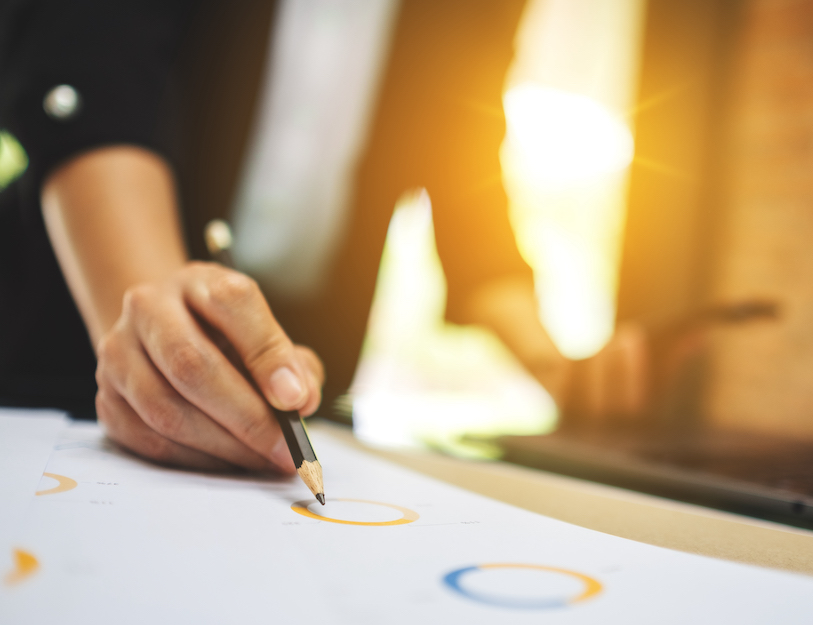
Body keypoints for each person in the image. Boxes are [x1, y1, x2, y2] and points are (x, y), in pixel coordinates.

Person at [0, 0, 649, 474]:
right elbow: (87, 64)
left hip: (307, 375)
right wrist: (157, 322)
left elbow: (465, 171)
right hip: (62, 347)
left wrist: (552, 363)